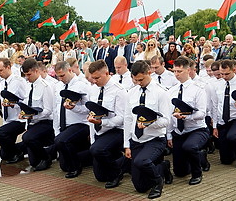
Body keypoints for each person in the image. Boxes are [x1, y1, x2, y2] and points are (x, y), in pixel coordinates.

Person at [124, 60, 171, 199]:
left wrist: (149, 124)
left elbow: (166, 121)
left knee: (141, 162)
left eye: (141, 79)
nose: (138, 83)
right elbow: (128, 119)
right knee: (140, 186)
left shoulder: (161, 92)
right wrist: (127, 145)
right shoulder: (131, 93)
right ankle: (162, 167)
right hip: (137, 140)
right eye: (135, 80)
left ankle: (158, 182)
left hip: (155, 139)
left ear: (149, 72)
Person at [167, 56, 209, 185]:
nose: (176, 74)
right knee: (180, 172)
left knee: (189, 147)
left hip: (196, 129)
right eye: (174, 71)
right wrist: (169, 135)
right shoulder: (171, 91)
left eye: (179, 71)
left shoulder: (198, 89)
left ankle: (197, 173)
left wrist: (187, 117)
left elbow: (202, 113)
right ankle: (198, 157)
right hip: (179, 131)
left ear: (188, 70)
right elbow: (169, 115)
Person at [87, 60, 127, 188]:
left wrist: (103, 122)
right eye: (92, 78)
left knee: (97, 150)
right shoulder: (93, 89)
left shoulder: (118, 90)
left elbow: (122, 117)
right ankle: (124, 162)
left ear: (106, 73)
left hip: (115, 130)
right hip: (99, 130)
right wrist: (93, 137)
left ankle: (117, 172)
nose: (94, 81)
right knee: (100, 177)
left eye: (97, 78)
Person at [212, 59, 236, 169]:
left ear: (234, 70)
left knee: (233, 136)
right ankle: (233, 151)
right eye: (222, 74)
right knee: (226, 160)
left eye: (227, 74)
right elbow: (215, 106)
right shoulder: (217, 85)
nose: (224, 76)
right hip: (223, 121)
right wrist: (215, 126)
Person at [53, 61, 90, 178]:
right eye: (58, 76)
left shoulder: (82, 85)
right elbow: (56, 110)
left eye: (62, 75)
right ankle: (84, 158)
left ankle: (76, 166)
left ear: (70, 70)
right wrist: (56, 129)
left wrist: (75, 108)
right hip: (65, 124)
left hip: (80, 123)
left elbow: (89, 108)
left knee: (61, 141)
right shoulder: (58, 86)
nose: (60, 79)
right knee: (64, 166)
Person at [20, 58, 55, 171]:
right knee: (34, 162)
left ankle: (46, 157)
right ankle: (44, 153)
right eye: (25, 75)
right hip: (31, 122)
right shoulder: (28, 85)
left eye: (29, 74)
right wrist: (23, 114)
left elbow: (48, 110)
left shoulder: (46, 86)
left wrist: (33, 116)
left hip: (44, 122)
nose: (27, 77)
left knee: (27, 137)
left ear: (36, 71)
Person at [0, 58, 28, 163]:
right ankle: (20, 149)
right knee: (4, 155)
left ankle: (18, 152)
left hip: (19, 119)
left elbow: (26, 99)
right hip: (8, 120)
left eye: (1, 70)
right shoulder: (3, 82)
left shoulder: (18, 81)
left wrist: (14, 104)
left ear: (8, 67)